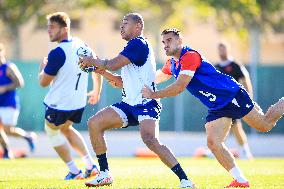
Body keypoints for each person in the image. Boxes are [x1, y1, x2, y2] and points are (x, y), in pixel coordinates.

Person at [141, 28, 284, 188]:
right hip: (217, 105)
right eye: (163, 42)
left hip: (231, 95)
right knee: (213, 143)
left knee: (265, 125)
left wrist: (153, 94)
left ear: (179, 41)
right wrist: (134, 81)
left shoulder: (189, 56)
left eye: (169, 40)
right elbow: (160, 75)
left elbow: (180, 86)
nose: (165, 45)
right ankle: (241, 180)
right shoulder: (172, 63)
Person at [79, 13, 195, 188]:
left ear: (138, 27)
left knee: (149, 139)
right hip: (129, 105)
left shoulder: (138, 43)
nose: (121, 26)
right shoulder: (131, 48)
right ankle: (104, 174)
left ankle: (185, 180)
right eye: (121, 23)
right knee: (94, 123)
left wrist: (92, 61)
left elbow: (112, 63)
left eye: (125, 23)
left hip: (147, 102)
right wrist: (100, 71)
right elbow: (120, 82)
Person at [38, 12, 102, 180]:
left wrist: (42, 68)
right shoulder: (83, 45)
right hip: (78, 103)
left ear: (65, 28)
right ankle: (91, 166)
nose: (49, 31)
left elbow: (43, 82)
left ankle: (74, 171)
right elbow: (98, 67)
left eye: (52, 27)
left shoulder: (57, 52)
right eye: (48, 27)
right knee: (66, 129)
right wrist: (96, 91)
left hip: (59, 104)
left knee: (51, 132)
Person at [215, 42, 253, 159]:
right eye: (220, 49)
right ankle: (216, 149)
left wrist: (249, 97)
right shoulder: (216, 67)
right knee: (219, 125)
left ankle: (245, 151)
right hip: (221, 102)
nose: (222, 51)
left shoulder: (235, 65)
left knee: (236, 126)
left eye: (224, 49)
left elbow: (245, 80)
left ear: (228, 50)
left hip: (234, 101)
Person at [0, 43, 36, 159]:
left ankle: (27, 137)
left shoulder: (9, 67)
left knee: (8, 130)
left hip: (9, 104)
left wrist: (5, 87)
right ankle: (6, 152)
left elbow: (20, 83)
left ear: (2, 52)